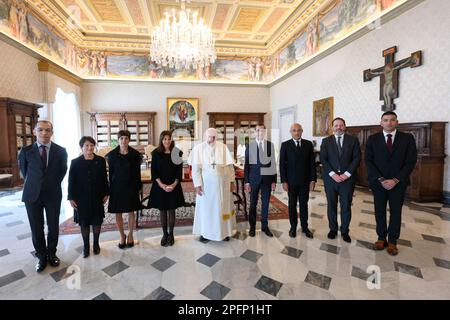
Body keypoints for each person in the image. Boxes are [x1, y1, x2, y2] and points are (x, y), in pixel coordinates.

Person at [18, 120, 68, 272]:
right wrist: (36, 185)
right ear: (34, 132)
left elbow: (62, 171)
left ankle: (52, 254)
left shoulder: (60, 151)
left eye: (47, 130)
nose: (44, 133)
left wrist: (49, 184)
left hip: (53, 194)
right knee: (36, 228)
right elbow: (24, 172)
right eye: (40, 130)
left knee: (53, 226)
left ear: (52, 132)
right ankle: (41, 256)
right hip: (32, 195)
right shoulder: (25, 151)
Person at [365, 111, 417, 255]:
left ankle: (393, 241)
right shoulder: (372, 139)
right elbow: (368, 161)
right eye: (386, 120)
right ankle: (381, 238)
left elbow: (410, 161)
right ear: (381, 122)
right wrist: (381, 179)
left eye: (392, 120)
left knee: (396, 212)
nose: (389, 122)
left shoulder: (407, 138)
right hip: (378, 183)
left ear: (397, 122)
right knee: (379, 210)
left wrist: (395, 180)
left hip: (398, 183)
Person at [189, 128, 236, 242]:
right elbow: (195, 169)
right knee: (207, 210)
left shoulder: (223, 147)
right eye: (209, 137)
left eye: (214, 137)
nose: (212, 139)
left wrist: (231, 181)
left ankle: (224, 233)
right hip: (206, 188)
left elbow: (230, 167)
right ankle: (205, 233)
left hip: (222, 186)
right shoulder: (199, 149)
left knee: (222, 208)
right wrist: (198, 185)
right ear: (205, 136)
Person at [320, 118, 361, 243]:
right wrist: (333, 174)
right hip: (330, 179)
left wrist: (347, 174)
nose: (339, 127)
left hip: (347, 180)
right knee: (331, 205)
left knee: (346, 206)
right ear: (332, 127)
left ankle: (345, 231)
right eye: (336, 125)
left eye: (341, 125)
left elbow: (357, 158)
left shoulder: (353, 140)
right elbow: (323, 159)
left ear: (345, 126)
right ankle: (333, 229)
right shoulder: (326, 141)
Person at [68, 136, 109, 258]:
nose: (89, 148)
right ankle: (86, 246)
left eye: (92, 145)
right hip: (81, 198)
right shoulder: (75, 162)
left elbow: (104, 179)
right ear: (82, 147)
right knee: (84, 222)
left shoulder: (101, 160)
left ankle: (96, 244)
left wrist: (106, 193)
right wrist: (71, 197)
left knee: (97, 221)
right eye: (86, 145)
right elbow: (71, 181)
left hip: (97, 196)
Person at [148, 131, 185, 246]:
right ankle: (164, 234)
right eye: (164, 139)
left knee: (172, 210)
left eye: (169, 139)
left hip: (174, 185)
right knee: (163, 210)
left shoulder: (177, 153)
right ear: (161, 140)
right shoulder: (156, 153)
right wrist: (162, 185)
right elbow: (153, 171)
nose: (167, 141)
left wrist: (173, 185)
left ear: (171, 140)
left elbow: (179, 171)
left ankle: (171, 234)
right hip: (160, 186)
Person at [279, 123, 316, 239]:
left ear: (302, 131)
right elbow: (282, 165)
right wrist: (284, 181)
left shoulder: (308, 144)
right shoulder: (285, 145)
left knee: (304, 205)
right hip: (291, 182)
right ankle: (293, 227)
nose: (296, 132)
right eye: (294, 130)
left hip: (305, 181)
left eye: (298, 130)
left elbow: (312, 164)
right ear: (290, 132)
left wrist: (313, 180)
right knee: (292, 205)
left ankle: (305, 228)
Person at [106, 130, 142, 249]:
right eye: (121, 138)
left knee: (131, 211)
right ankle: (122, 235)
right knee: (118, 212)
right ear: (118, 140)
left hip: (131, 186)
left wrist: (138, 187)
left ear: (129, 140)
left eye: (126, 138)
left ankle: (131, 234)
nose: (123, 141)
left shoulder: (135, 155)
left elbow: (138, 173)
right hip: (117, 187)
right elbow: (110, 174)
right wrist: (109, 189)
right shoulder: (111, 155)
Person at [244, 124, 277, 237]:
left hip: (267, 180)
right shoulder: (250, 146)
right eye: (258, 131)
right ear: (255, 132)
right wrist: (247, 182)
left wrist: (274, 181)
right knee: (253, 204)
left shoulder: (270, 145)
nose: (260, 133)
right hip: (254, 180)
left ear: (265, 132)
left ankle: (264, 226)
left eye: (262, 130)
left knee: (265, 204)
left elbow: (273, 163)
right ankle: (252, 227)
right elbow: (247, 165)